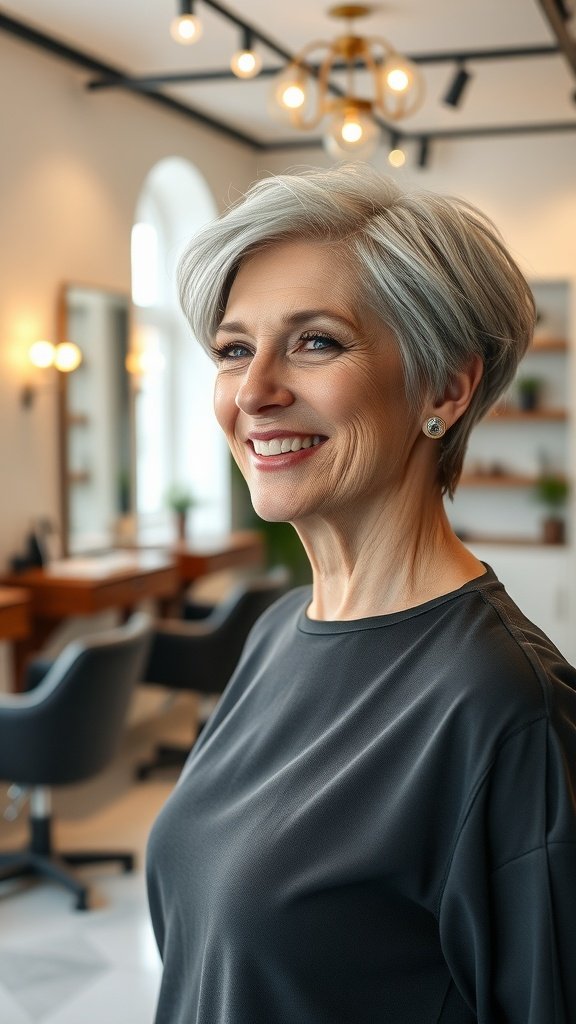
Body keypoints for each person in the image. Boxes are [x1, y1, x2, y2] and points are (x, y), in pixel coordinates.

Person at [146, 164, 576, 1023]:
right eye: (235, 349)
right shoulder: (276, 631)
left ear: (445, 389)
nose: (255, 392)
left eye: (315, 341)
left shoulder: (506, 711)